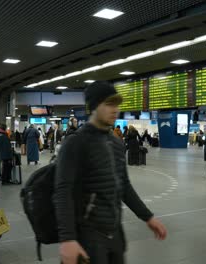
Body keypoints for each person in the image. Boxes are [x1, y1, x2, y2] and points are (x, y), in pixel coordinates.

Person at [54, 81, 167, 264]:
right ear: (93, 107)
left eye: (116, 104)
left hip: (115, 235)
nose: (115, 109)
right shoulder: (76, 143)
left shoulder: (116, 143)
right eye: (108, 104)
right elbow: (62, 191)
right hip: (87, 238)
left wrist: (148, 217)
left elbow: (124, 186)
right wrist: (67, 239)